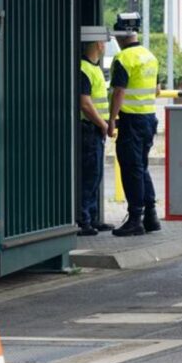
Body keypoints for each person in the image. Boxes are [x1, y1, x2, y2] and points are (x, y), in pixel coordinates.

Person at [107, 13, 161, 237]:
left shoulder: (123, 59)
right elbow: (157, 89)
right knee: (141, 168)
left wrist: (111, 119)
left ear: (120, 36)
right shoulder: (150, 56)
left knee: (131, 170)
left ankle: (135, 220)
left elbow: (119, 92)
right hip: (149, 118)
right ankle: (151, 216)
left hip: (131, 121)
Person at [78, 39, 114, 236]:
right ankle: (84, 220)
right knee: (90, 175)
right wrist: (103, 124)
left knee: (95, 174)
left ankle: (91, 218)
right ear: (99, 44)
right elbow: (85, 104)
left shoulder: (93, 67)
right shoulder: (84, 68)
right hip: (89, 129)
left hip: (95, 129)